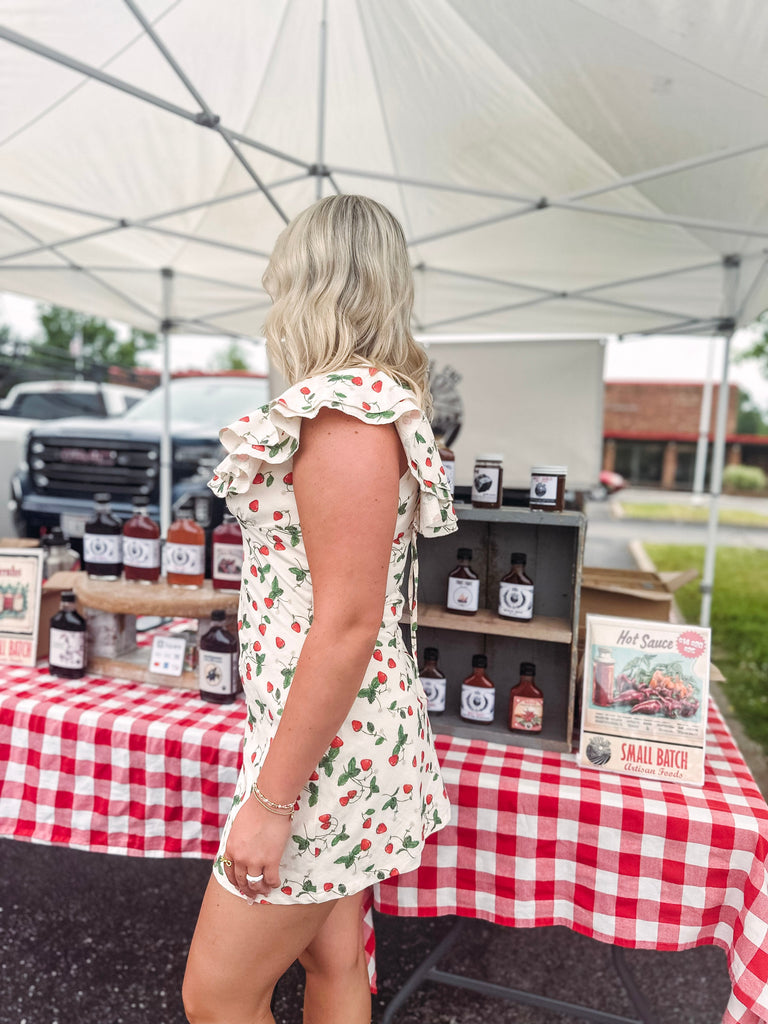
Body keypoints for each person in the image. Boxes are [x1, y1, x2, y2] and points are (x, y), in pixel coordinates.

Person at [182, 194, 457, 1024]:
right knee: (335, 959)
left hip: (326, 755)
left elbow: (346, 623)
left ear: (311, 285)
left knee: (219, 996)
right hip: (335, 734)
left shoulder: (344, 413)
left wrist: (270, 806)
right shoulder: (359, 404)